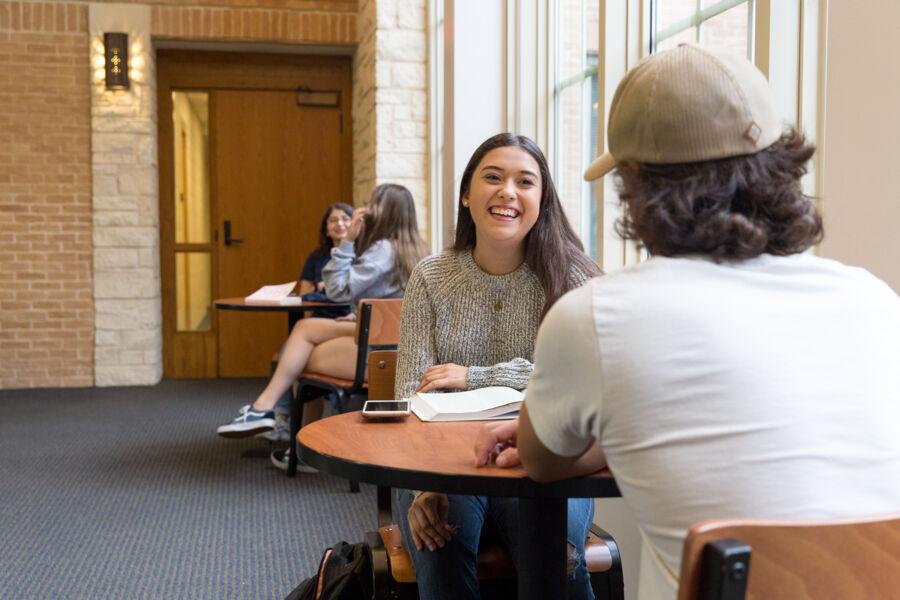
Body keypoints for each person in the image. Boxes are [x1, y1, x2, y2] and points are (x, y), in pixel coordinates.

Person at [473, 45, 900, 600]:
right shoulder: (873, 299)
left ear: (636, 185)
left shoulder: (597, 316)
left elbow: (542, 463)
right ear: (780, 162)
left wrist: (554, 430)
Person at [394, 133, 602, 600]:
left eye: (525, 182)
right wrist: (419, 486)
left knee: (554, 553)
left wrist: (475, 375)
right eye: (493, 177)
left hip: (546, 456)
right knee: (438, 541)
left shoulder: (576, 277)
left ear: (542, 200)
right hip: (443, 461)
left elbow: (583, 384)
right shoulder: (430, 276)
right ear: (467, 195)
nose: (508, 191)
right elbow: (412, 392)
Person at [217, 184, 429, 464]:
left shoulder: (382, 250)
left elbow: (336, 290)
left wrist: (347, 243)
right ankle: (272, 417)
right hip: (402, 351)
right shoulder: (417, 250)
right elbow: (393, 304)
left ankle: (291, 438)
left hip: (381, 358)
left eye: (372, 203)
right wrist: (358, 316)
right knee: (305, 330)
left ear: (383, 211)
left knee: (296, 357)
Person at [261, 202, 355, 444]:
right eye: (333, 221)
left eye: (345, 219)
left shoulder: (361, 255)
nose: (339, 224)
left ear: (355, 224)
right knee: (286, 352)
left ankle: (325, 422)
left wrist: (327, 285)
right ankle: (284, 420)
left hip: (347, 322)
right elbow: (303, 295)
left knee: (297, 358)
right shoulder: (317, 257)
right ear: (326, 229)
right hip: (318, 324)